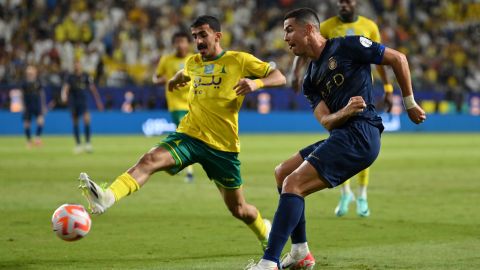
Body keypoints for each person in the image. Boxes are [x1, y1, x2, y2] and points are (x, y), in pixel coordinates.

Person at [77, 15, 286, 251]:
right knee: (150, 160)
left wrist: (256, 84)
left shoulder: (239, 60)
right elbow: (184, 74)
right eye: (195, 36)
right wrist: (174, 80)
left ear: (217, 36)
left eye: (203, 35)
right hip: (189, 135)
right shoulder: (193, 62)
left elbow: (279, 76)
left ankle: (264, 231)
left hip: (222, 147)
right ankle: (107, 197)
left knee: (239, 210)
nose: (198, 41)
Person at [246, 8, 426, 270]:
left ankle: (269, 262)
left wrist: (409, 103)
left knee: (294, 183)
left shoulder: (349, 46)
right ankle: (300, 253)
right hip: (343, 134)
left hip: (362, 133)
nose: (285, 38)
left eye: (289, 30)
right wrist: (345, 111)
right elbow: (326, 121)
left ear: (309, 29)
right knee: (282, 172)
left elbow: (398, 58)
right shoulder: (309, 79)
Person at [291, 0, 394, 217]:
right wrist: (296, 72)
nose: (343, 4)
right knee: (340, 141)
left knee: (358, 140)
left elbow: (380, 58)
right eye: (340, 1)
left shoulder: (369, 26)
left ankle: (362, 195)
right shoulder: (327, 26)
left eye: (347, 1)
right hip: (335, 94)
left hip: (361, 88)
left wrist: (387, 86)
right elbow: (309, 49)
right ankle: (345, 193)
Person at [153, 31, 195, 183]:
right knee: (185, 135)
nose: (180, 45)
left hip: (193, 102)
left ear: (188, 44)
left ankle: (173, 162)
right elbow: (155, 77)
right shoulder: (166, 59)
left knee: (185, 135)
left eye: (183, 41)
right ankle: (188, 170)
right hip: (176, 104)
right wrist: (161, 79)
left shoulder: (193, 59)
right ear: (174, 44)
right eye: (177, 42)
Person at [61, 61, 103, 154]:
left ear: (81, 65)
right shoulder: (70, 77)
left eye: (78, 64)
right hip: (74, 102)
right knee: (75, 122)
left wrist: (98, 101)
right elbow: (66, 88)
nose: (77, 66)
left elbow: (93, 89)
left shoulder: (86, 76)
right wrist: (64, 96)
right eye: (75, 64)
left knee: (87, 119)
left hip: (83, 102)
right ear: (74, 66)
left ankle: (88, 143)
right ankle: (78, 144)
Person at [21, 65, 46, 148]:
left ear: (35, 72)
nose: (30, 73)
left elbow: (42, 94)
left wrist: (43, 106)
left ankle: (37, 138)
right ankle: (29, 141)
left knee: (41, 121)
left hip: (36, 105)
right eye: (28, 72)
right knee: (26, 124)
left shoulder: (38, 82)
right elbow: (21, 95)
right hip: (27, 105)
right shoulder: (24, 83)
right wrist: (22, 105)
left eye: (31, 71)